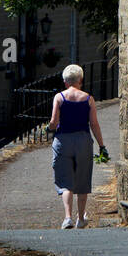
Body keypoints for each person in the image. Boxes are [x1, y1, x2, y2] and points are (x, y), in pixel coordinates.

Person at [49, 63, 107, 229]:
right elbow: (94, 124)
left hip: (63, 141)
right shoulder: (88, 99)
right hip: (83, 141)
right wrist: (101, 145)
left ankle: (67, 218)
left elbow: (54, 122)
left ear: (66, 82)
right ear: (80, 80)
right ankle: (81, 218)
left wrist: (49, 128)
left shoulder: (59, 98)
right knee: (82, 180)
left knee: (65, 182)